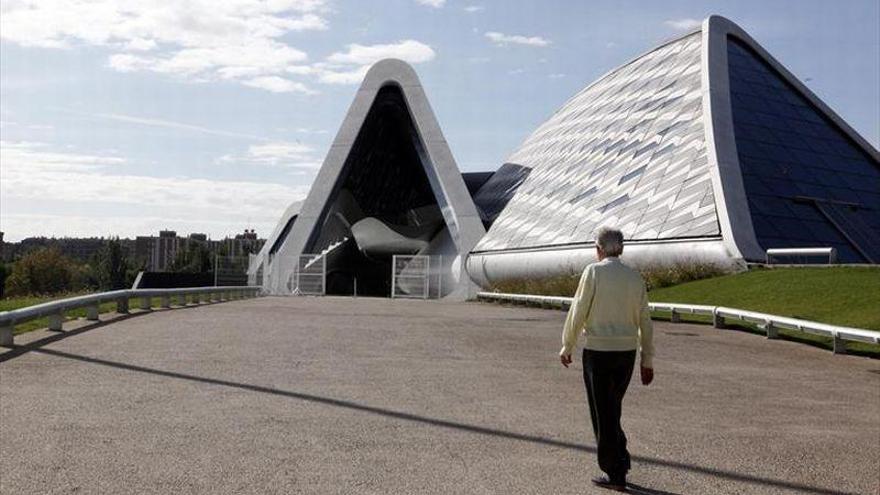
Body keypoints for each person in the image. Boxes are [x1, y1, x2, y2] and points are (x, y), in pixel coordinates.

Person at [559, 227, 654, 492]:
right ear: (620, 249)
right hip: (626, 354)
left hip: (599, 353)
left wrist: (568, 345)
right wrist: (648, 360)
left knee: (603, 413)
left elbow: (579, 309)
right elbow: (645, 320)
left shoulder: (593, 272)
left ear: (598, 249)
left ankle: (616, 472)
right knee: (612, 410)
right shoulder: (635, 278)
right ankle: (620, 461)